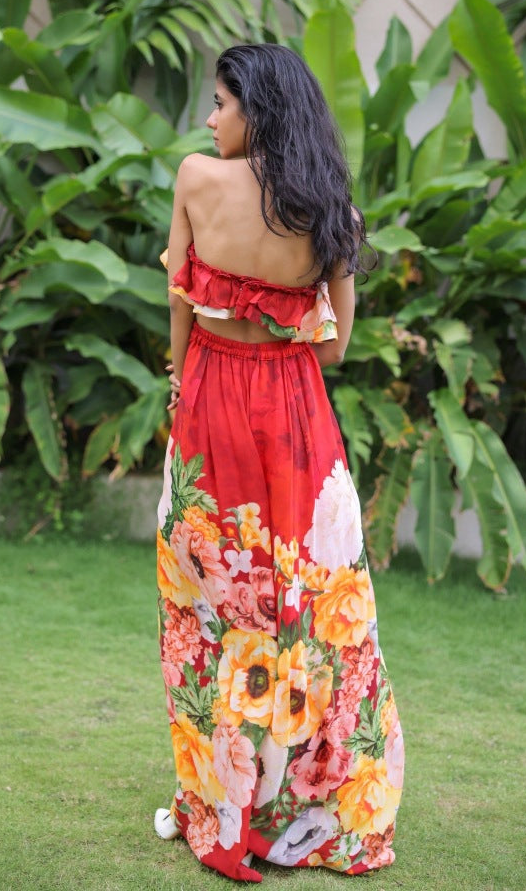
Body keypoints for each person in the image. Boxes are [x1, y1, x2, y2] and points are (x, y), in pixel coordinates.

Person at [153, 43, 404, 883]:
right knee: (310, 606)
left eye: (221, 103)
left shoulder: (196, 179)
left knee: (206, 609)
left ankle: (221, 805)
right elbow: (333, 349)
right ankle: (303, 807)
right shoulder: (329, 206)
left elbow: (180, 305)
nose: (209, 119)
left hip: (210, 409)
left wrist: (182, 383)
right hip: (295, 420)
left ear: (256, 110)